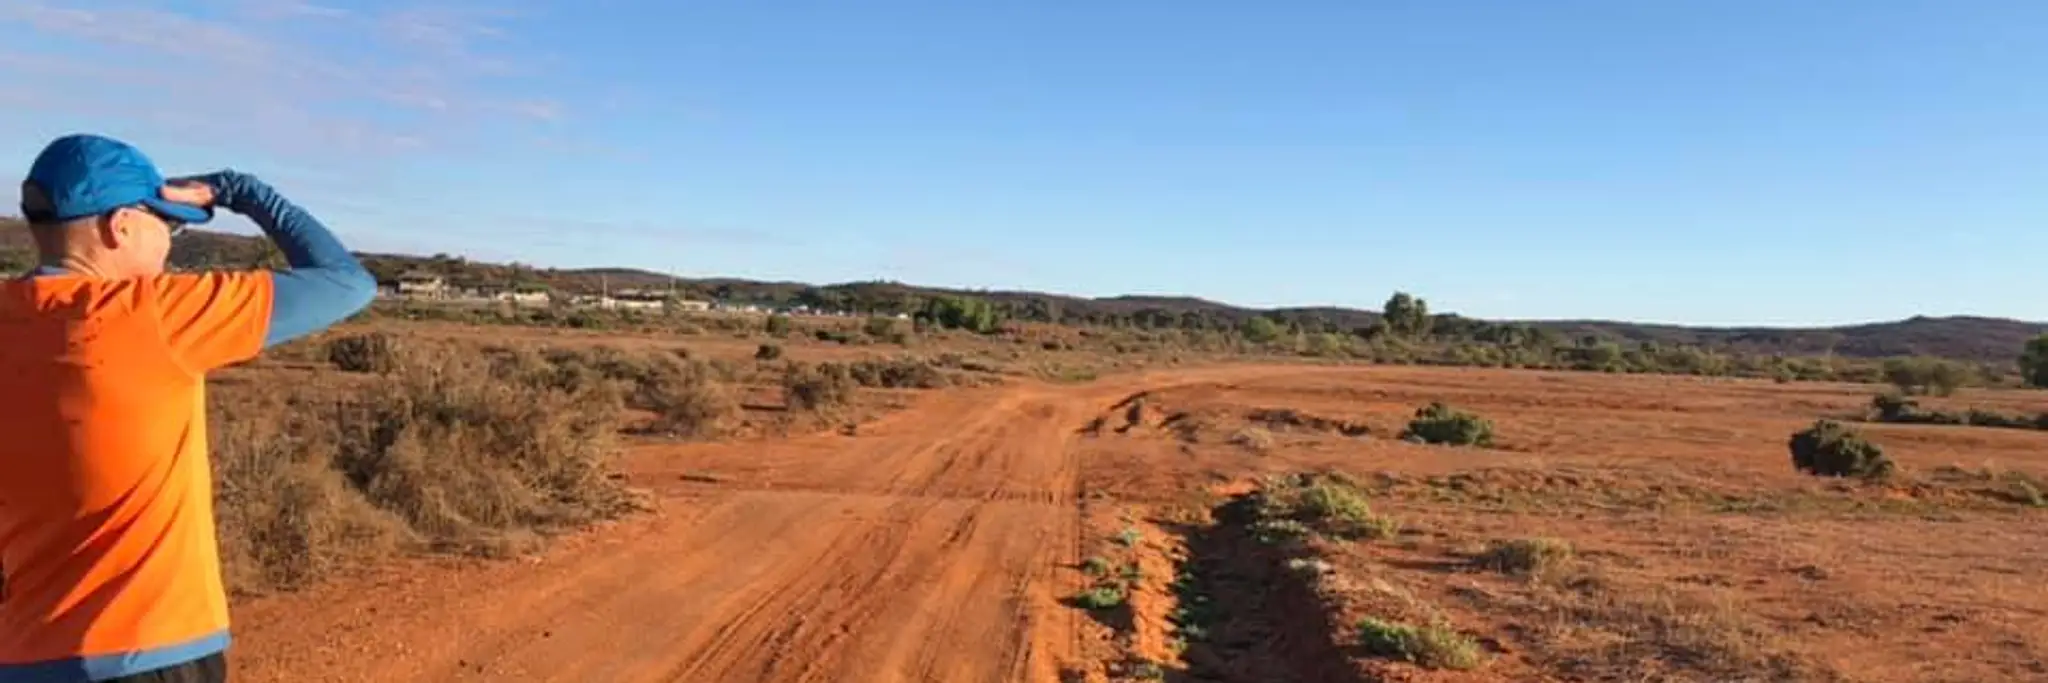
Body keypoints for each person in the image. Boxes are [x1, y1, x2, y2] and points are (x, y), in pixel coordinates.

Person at [0, 133, 377, 682]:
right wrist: (242, 192)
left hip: (23, 657)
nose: (169, 244)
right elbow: (344, 283)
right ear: (119, 226)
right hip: (149, 650)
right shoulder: (150, 315)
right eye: (167, 224)